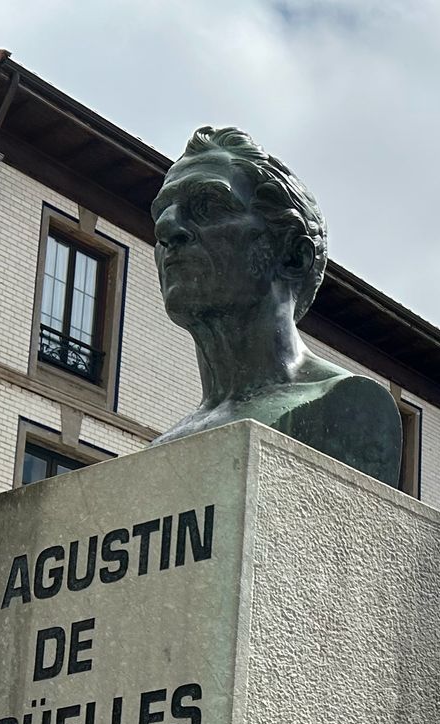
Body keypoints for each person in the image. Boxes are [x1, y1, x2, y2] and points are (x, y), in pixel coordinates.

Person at [150, 126, 402, 486]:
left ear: (294, 256)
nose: (167, 226)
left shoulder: (349, 406)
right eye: (161, 212)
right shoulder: (169, 443)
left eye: (209, 206)